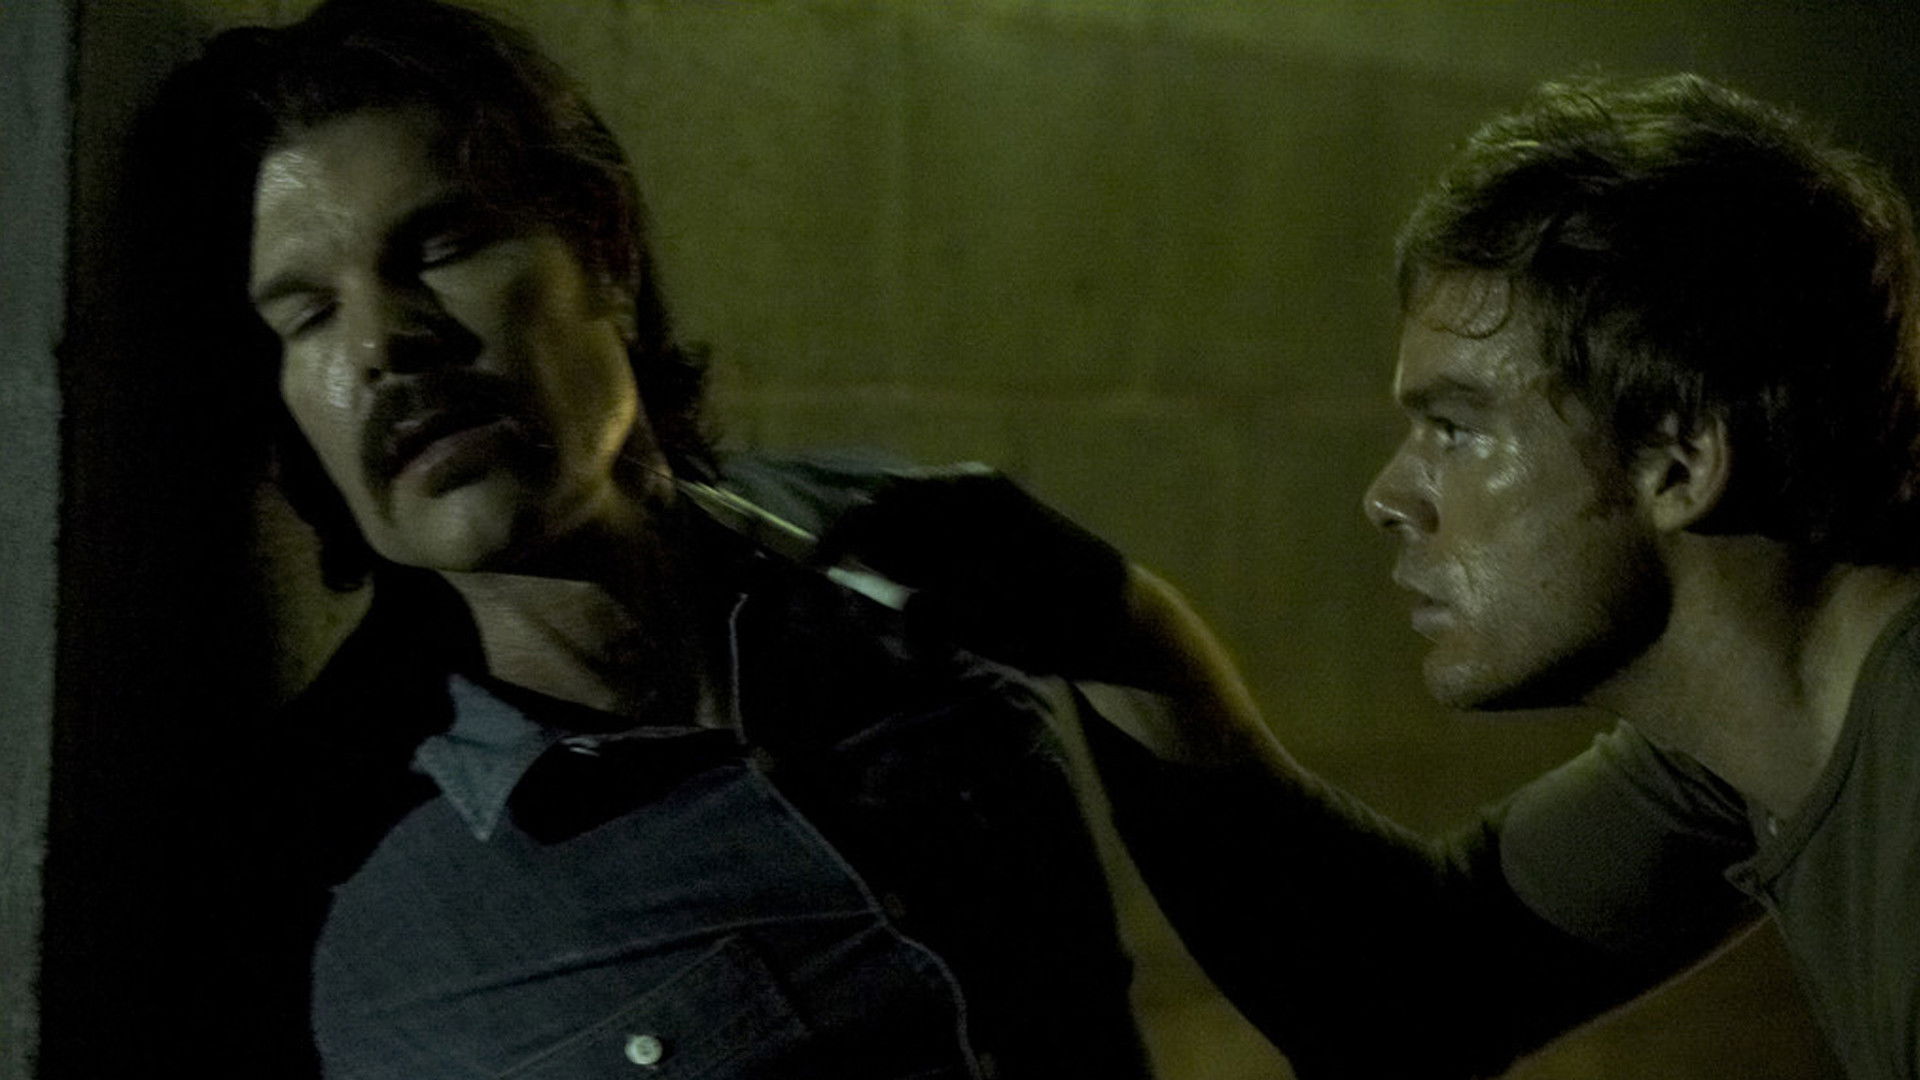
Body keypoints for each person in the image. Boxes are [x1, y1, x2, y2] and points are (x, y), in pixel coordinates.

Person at [830, 74, 1920, 1079]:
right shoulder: (1745, 747)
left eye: (1457, 427)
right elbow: (1415, 993)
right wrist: (1131, 642)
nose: (1389, 496)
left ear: (1676, 460)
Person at [150, 1, 1153, 1075]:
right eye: (307, 316)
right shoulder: (321, 873)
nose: (386, 341)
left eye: (444, 246)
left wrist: (1150, 646)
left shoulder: (903, 554)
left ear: (605, 249)